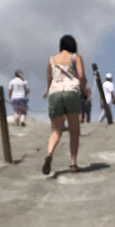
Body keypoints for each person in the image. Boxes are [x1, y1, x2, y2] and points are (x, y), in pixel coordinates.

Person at [42, 34, 90, 175]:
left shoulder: (51, 59)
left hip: (55, 92)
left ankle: (49, 153)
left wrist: (48, 90)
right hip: (71, 91)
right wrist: (83, 89)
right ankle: (73, 163)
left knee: (56, 130)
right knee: (74, 131)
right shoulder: (75, 57)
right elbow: (81, 76)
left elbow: (50, 79)